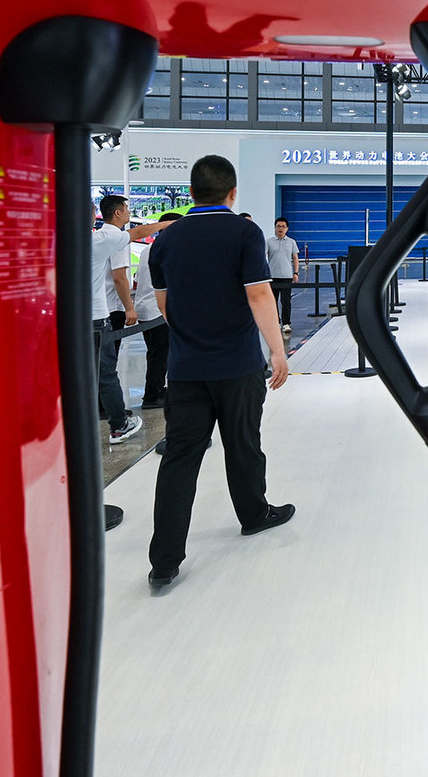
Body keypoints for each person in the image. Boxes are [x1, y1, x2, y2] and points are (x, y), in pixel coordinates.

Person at [146, 155, 294, 591]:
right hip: (238, 365)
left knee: (179, 458)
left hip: (186, 369)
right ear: (232, 193)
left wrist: (191, 337)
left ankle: (164, 560)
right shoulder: (244, 233)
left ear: (191, 193)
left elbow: (164, 304)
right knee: (243, 444)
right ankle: (254, 514)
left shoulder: (166, 239)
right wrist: (278, 351)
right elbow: (259, 295)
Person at [90, 196, 170, 531]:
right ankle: (119, 423)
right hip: (98, 316)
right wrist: (173, 224)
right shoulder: (106, 238)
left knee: (95, 371)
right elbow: (136, 240)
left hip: (81, 314)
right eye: (125, 210)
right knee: (106, 371)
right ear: (117, 213)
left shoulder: (78, 240)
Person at [134, 212, 185, 409]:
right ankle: (152, 396)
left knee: (156, 353)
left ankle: (157, 389)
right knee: (159, 355)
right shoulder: (167, 249)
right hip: (157, 310)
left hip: (146, 307)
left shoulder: (149, 249)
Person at [265, 217, 300, 334]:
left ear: (287, 228)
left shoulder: (291, 242)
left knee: (286, 301)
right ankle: (275, 321)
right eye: (278, 226)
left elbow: (295, 258)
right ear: (275, 227)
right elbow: (263, 256)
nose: (280, 228)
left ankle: (286, 323)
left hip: (286, 276)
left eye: (283, 226)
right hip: (272, 276)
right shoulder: (268, 242)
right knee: (272, 301)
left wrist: (295, 273)